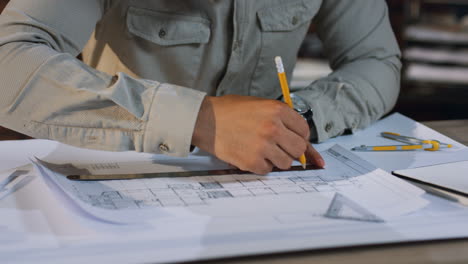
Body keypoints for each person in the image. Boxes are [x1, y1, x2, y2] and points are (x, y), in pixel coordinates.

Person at [0, 0, 401, 174]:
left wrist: (296, 119)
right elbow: (9, 65)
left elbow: (376, 61)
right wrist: (197, 120)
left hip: (269, 185)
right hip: (122, 176)